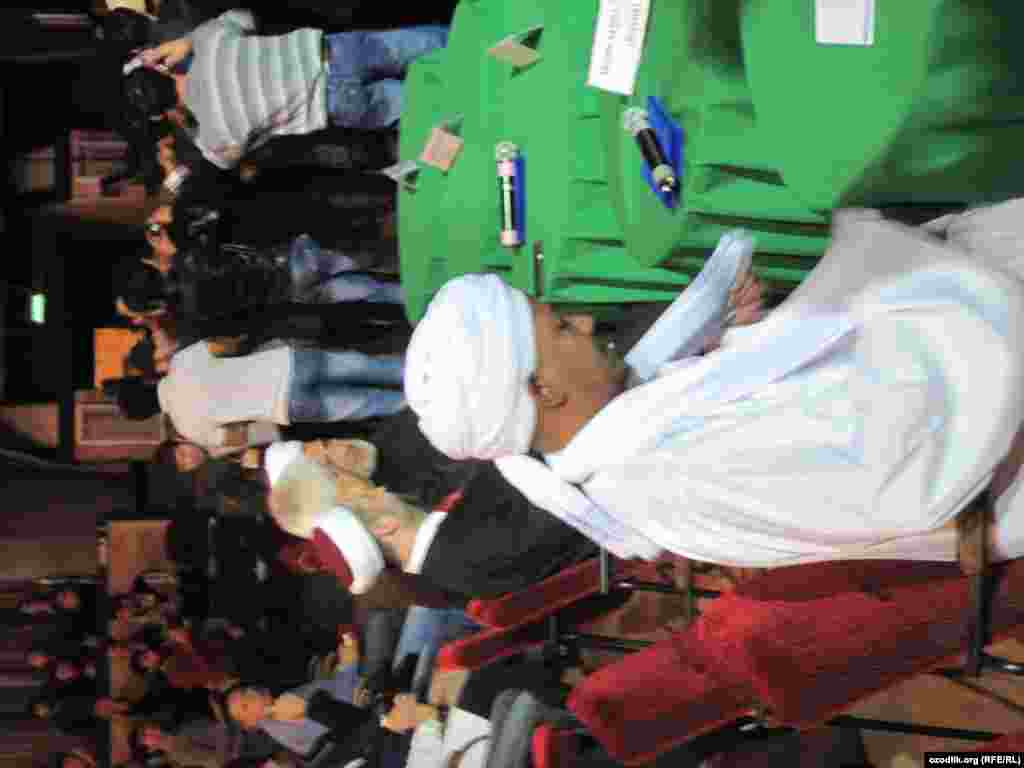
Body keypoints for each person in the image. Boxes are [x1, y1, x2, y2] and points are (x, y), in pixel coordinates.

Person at [402, 217, 1024, 569]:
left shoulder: (626, 434)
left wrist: (746, 333)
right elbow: (899, 448)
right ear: (544, 390)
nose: (587, 324)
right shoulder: (656, 472)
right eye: (563, 328)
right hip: (993, 456)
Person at [265, 438, 598, 602]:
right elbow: (570, 483)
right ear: (384, 526)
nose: (377, 487)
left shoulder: (449, 546)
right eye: (365, 496)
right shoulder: (466, 547)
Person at [125, 10, 447, 168]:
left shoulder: (213, 134)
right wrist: (186, 41)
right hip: (334, 52)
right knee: (432, 45)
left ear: (161, 113)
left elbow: (226, 161)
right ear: (160, 67)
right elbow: (243, 17)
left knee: (434, 106)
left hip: (333, 102)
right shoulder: (210, 43)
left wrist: (183, 122)